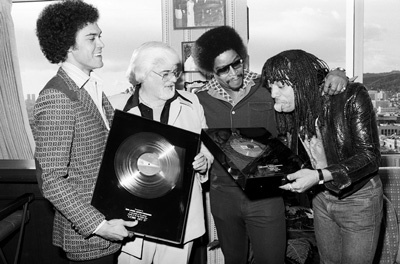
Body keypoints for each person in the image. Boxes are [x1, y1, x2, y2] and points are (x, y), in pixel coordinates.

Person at [190, 25, 349, 264]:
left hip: (266, 196)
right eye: (223, 69)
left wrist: (338, 73)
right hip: (223, 199)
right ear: (209, 71)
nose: (234, 72)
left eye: (237, 63)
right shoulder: (198, 101)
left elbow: (308, 85)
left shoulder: (268, 88)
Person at [34, 1, 137, 262]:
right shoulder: (57, 96)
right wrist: (100, 226)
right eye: (91, 38)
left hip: (110, 223)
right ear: (68, 45)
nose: (101, 44)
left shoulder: (92, 88)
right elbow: (52, 181)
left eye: (99, 36)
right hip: (88, 237)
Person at [262, 49, 383, 264]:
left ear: (303, 82)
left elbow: (370, 156)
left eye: (281, 85)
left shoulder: (351, 97)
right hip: (321, 198)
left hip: (359, 200)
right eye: (271, 86)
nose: (273, 93)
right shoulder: (294, 111)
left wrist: (319, 176)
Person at [109, 41, 213, 264]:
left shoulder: (192, 103)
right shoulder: (114, 107)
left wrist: (204, 163)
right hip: (133, 222)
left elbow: (206, 147)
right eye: (165, 74)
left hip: (179, 219)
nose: (173, 79)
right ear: (142, 75)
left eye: (175, 72)